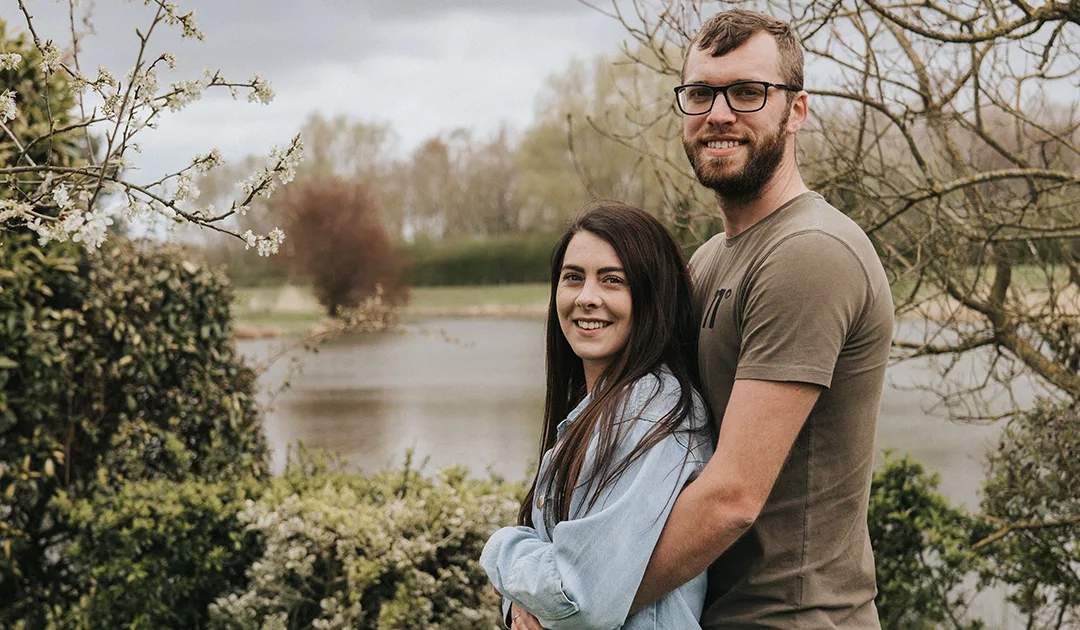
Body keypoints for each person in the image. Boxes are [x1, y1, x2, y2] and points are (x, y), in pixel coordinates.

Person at [480, 200, 715, 629]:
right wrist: (518, 606)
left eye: (613, 280)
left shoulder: (650, 414)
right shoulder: (596, 412)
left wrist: (501, 549)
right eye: (573, 278)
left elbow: (579, 598)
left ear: (651, 297)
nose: (587, 298)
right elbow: (553, 597)